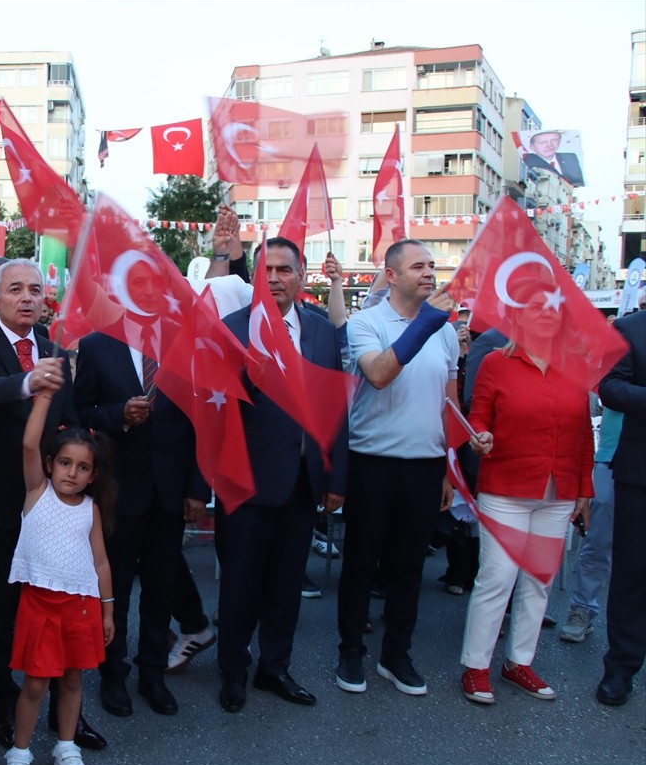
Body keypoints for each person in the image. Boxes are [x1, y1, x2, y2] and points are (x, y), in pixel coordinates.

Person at [0, 259, 105, 752]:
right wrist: (27, 383)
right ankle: (3, 704)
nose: (26, 297)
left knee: (59, 610)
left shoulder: (58, 353)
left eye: (35, 289)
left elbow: (73, 420)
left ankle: (67, 714)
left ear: (45, 300)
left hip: (54, 509)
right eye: (14, 289)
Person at [214, 237, 349, 712]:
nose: (274, 278)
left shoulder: (320, 333)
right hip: (246, 483)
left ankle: (275, 666)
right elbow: (216, 413)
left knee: (287, 583)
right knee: (239, 584)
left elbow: (335, 409)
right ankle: (233, 670)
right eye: (265, 270)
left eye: (284, 270)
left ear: (302, 275)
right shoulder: (232, 329)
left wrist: (336, 477)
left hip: (303, 481)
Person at [74, 260, 207, 718]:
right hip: (118, 491)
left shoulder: (182, 344)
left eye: (157, 283)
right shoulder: (96, 344)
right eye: (140, 284)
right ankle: (113, 674)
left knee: (160, 587)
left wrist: (196, 489)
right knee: (116, 589)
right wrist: (117, 416)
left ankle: (152, 674)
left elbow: (199, 421)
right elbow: (81, 411)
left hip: (170, 492)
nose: (149, 290)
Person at [336, 239, 460, 696]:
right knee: (361, 563)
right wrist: (426, 325)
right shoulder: (366, 323)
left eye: (432, 265)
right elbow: (381, 373)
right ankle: (351, 652)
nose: (429, 273)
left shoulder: (445, 330)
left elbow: (449, 402)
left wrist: (450, 465)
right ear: (391, 276)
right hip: (374, 462)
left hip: (426, 465)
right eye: (418, 266)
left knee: (409, 568)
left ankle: (396, 655)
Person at [459, 286, 593, 703]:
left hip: (559, 490)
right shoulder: (497, 363)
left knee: (538, 580)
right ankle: (475, 666)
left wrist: (584, 491)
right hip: (506, 487)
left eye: (555, 309)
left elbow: (583, 433)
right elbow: (478, 414)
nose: (547, 315)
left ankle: (518, 661)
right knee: (497, 578)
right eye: (538, 307)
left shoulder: (574, 368)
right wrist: (478, 436)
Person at [2, 385, 114, 765]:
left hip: (81, 607)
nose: (72, 473)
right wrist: (45, 394)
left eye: (83, 467)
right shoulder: (37, 494)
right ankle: (20, 753)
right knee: (35, 684)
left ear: (93, 474)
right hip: (41, 605)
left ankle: (66, 748)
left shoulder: (91, 509)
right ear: (49, 465)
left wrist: (107, 610)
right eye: (65, 463)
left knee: (71, 680)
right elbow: (30, 442)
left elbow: (100, 562)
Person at [595, 308, 646, 706]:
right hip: (640, 473)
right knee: (631, 573)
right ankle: (621, 668)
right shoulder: (631, 328)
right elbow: (609, 386)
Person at [558, 402, 621, 642]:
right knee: (598, 540)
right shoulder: (619, 362)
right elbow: (610, 393)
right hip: (613, 456)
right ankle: (582, 607)